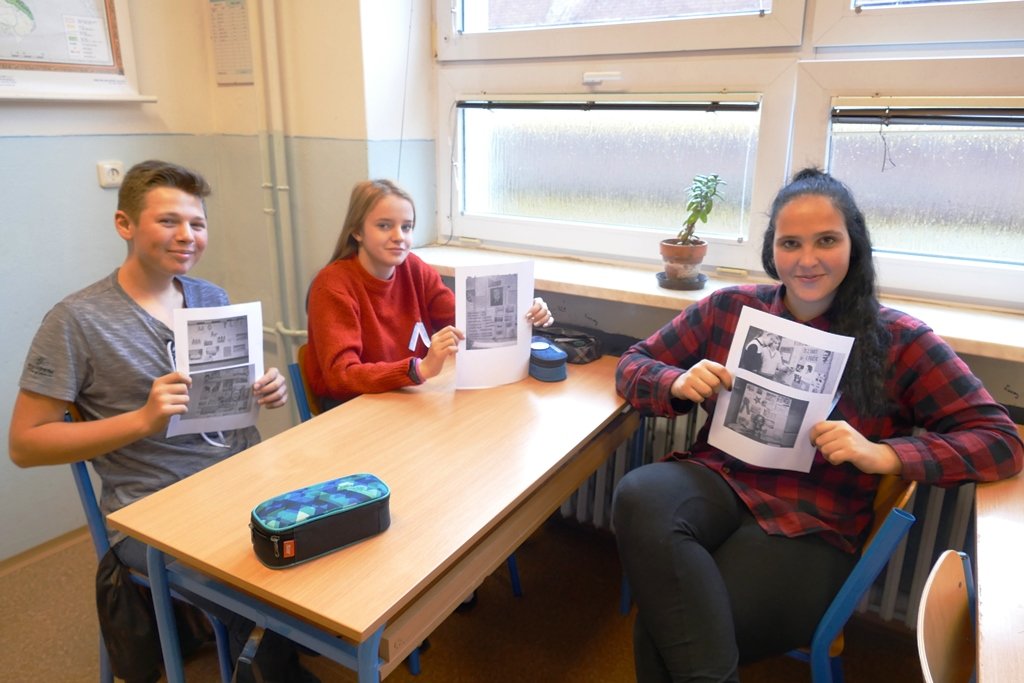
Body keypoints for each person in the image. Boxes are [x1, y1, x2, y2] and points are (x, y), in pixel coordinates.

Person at [611, 168, 1023, 682]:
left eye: (826, 240)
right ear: (772, 251)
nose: (807, 260)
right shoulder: (730, 308)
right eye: (791, 243)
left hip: (812, 520)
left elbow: (1000, 442)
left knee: (663, 631)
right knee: (639, 492)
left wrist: (884, 454)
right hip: (719, 477)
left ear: (854, 245)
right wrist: (675, 381)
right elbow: (632, 365)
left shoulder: (900, 339)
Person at [8, 160, 315, 683]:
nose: (187, 236)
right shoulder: (76, 321)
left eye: (197, 223)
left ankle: (288, 639)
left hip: (242, 475)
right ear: (124, 224)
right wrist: (142, 420)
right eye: (168, 221)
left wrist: (264, 389)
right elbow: (25, 443)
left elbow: (223, 397)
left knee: (338, 525)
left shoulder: (209, 297)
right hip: (156, 507)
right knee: (265, 583)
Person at [305, 178, 553, 408]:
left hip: (404, 396)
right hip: (353, 408)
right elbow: (341, 376)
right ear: (357, 232)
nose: (399, 237)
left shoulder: (414, 268)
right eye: (384, 226)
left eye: (407, 227)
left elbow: (467, 325)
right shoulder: (332, 286)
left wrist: (522, 316)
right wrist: (420, 369)